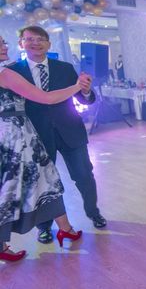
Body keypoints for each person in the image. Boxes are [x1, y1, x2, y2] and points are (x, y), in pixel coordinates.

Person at [9, 26, 107, 244]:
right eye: (30, 39)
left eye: (40, 39)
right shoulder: (13, 72)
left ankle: (93, 212)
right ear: (21, 43)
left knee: (84, 175)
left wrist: (86, 91)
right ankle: (44, 227)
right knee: (42, 183)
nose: (36, 43)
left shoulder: (65, 68)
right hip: (36, 136)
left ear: (48, 44)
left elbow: (83, 98)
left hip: (70, 131)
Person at [0, 37, 83, 262]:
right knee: (40, 182)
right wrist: (77, 86)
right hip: (17, 139)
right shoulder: (5, 75)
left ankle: (65, 228)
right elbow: (46, 98)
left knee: (39, 182)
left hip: (8, 137)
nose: (5, 46)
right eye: (0, 44)